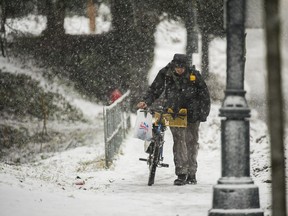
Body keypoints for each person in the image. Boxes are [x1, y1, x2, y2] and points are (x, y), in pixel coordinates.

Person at [137, 54, 211, 186]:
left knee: (191, 142)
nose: (179, 70)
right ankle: (181, 173)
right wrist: (146, 101)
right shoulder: (166, 73)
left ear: (186, 66)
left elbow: (204, 94)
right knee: (179, 141)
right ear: (174, 65)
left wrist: (204, 113)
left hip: (192, 114)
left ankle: (192, 173)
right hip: (174, 112)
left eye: (182, 67)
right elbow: (155, 89)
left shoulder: (194, 75)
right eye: (177, 67)